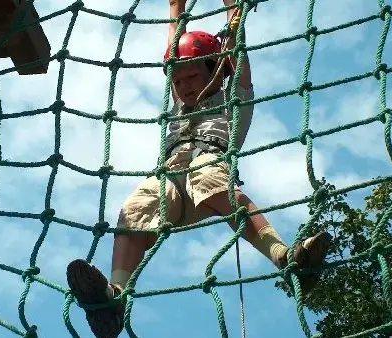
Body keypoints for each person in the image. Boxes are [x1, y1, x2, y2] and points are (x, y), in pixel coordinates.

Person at [66, 0, 332, 337]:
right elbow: (173, 41)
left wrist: (233, 6)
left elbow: (236, 45)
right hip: (172, 178)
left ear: (216, 70)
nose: (184, 85)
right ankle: (114, 299)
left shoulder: (234, 95)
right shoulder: (178, 104)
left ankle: (285, 258)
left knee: (207, 174)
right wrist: (175, 6)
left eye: (192, 76)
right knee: (135, 208)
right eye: (177, 81)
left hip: (209, 166)